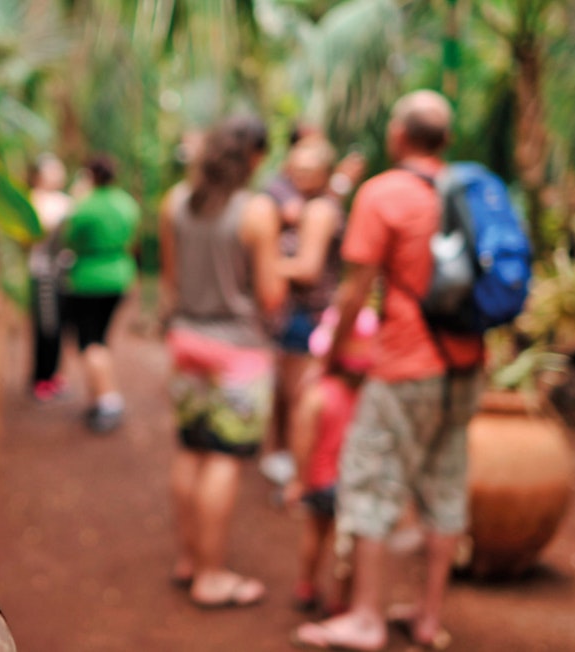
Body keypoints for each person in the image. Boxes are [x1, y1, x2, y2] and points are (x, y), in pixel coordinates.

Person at [293, 90, 483, 651]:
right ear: (445, 140)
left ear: (399, 135)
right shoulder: (469, 190)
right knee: (445, 485)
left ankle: (367, 618)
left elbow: (356, 292)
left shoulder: (383, 194)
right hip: (466, 365)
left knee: (371, 480)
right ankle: (427, 618)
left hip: (405, 363)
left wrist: (332, 356)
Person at [160, 116, 286, 608]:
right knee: (224, 458)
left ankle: (189, 559)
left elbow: (172, 284)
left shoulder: (175, 203)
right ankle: (212, 576)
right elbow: (271, 297)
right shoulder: (257, 211)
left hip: (187, 342)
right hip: (238, 352)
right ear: (253, 157)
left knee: (190, 450)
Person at [261, 135, 352, 488]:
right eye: (295, 167)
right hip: (295, 315)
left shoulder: (317, 210)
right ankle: (289, 463)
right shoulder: (309, 205)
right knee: (286, 393)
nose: (299, 174)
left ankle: (303, 478)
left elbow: (307, 268)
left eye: (308, 169)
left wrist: (261, 265)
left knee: (300, 398)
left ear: (325, 173)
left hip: (307, 317)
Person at [284, 306, 378, 618]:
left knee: (314, 533)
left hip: (320, 482)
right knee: (347, 543)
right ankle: (340, 599)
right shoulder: (369, 396)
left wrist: (298, 479)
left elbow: (303, 440)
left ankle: (306, 585)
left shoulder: (317, 394)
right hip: (353, 485)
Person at [60, 154, 141, 432]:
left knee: (90, 342)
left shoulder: (85, 206)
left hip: (88, 280)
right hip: (120, 275)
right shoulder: (126, 203)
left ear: (90, 175)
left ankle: (109, 401)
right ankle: (98, 399)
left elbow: (70, 238)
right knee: (101, 339)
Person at [27, 153, 73, 401]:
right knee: (45, 326)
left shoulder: (65, 200)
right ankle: (40, 378)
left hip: (63, 272)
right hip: (43, 272)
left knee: (59, 326)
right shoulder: (33, 200)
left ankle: (53, 374)